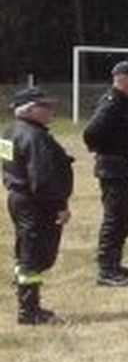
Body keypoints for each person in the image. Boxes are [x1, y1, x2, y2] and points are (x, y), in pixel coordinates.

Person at [2, 88, 73, 324]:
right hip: (35, 202)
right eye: (46, 106)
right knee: (35, 256)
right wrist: (59, 206)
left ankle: (28, 304)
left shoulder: (9, 131)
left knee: (28, 253)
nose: (51, 110)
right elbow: (41, 178)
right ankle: (29, 311)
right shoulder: (34, 136)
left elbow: (8, 165)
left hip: (18, 197)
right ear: (31, 110)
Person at [83, 59, 128, 287]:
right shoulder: (112, 102)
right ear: (121, 78)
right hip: (113, 169)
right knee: (115, 219)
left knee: (127, 218)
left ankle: (115, 263)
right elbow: (91, 133)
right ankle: (106, 270)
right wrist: (109, 152)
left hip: (125, 168)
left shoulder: (126, 101)